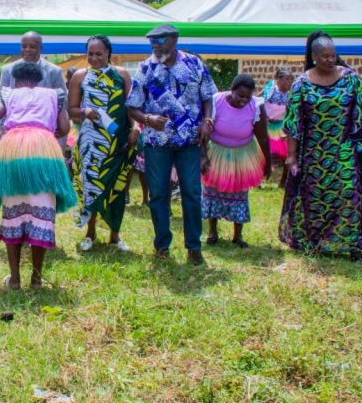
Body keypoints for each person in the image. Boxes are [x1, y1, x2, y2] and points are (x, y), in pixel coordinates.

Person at [0, 61, 76, 289]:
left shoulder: (8, 93)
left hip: (13, 150)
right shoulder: (54, 94)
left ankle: (15, 279)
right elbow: (64, 127)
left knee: (13, 212)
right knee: (43, 212)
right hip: (44, 149)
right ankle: (37, 279)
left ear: (17, 80)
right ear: (39, 80)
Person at [279, 31, 362, 261]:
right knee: (315, 197)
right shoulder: (301, 83)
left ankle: (351, 244)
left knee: (348, 192)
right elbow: (293, 122)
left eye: (333, 55)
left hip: (344, 148)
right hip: (313, 152)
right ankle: (315, 242)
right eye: (325, 56)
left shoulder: (350, 79)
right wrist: (291, 156)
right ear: (314, 57)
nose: (331, 60)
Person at [126, 23, 215, 265]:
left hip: (189, 140)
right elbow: (132, 106)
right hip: (157, 142)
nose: (155, 45)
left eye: (160, 40)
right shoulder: (145, 68)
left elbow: (207, 97)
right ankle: (162, 245)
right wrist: (147, 119)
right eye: (152, 41)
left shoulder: (194, 64)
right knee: (158, 194)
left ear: (174, 40)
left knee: (192, 193)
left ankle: (194, 247)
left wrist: (207, 121)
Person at [68, 35, 137, 252]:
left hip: (118, 141)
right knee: (91, 185)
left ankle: (115, 236)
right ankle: (90, 233)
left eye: (99, 53)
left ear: (108, 53)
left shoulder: (122, 74)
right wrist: (85, 111)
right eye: (90, 54)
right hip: (91, 142)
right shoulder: (80, 76)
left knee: (117, 186)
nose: (94, 58)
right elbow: (71, 110)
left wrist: (135, 129)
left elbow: (132, 106)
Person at [201, 74, 272, 248]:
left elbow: (263, 137)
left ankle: (238, 235)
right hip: (216, 152)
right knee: (212, 191)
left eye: (248, 97)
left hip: (242, 154)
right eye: (240, 96)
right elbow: (204, 131)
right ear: (232, 90)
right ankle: (212, 232)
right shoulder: (215, 101)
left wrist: (268, 162)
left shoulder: (256, 106)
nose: (244, 100)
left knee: (240, 193)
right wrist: (203, 156)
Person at [0, 31, 68, 108]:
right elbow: (2, 101)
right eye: (24, 46)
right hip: (15, 114)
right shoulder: (7, 70)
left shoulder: (54, 71)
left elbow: (63, 101)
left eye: (32, 46)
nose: (27, 49)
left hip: (45, 114)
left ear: (41, 48)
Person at [261, 68, 294, 186]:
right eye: (287, 79)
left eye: (291, 79)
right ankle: (259, 180)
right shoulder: (271, 90)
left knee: (287, 154)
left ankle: (283, 182)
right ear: (279, 80)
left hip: (281, 127)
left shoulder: (291, 95)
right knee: (261, 153)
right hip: (266, 125)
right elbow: (257, 101)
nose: (290, 81)